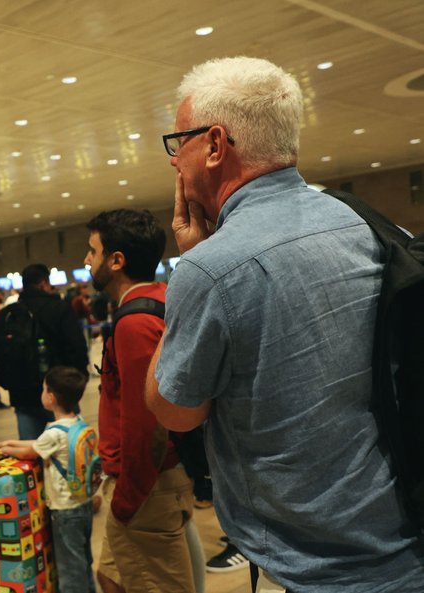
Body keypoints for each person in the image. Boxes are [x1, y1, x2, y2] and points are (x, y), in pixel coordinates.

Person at [144, 56, 424, 592]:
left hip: (312, 563)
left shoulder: (212, 267)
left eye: (178, 142)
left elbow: (174, 410)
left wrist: (187, 269)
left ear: (216, 144)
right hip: (400, 532)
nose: (175, 162)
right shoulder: (363, 220)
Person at [84, 209, 195, 593]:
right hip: (151, 480)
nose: (86, 260)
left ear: (117, 261)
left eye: (92, 251)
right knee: (110, 577)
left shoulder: (135, 324)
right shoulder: (160, 299)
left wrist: (127, 499)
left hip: (147, 486)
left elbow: (148, 424)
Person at [0, 366, 96, 593]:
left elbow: (31, 452)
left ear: (50, 397)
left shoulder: (54, 433)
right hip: (83, 504)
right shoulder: (77, 423)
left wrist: (9, 449)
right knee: (83, 561)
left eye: (43, 389)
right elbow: (36, 445)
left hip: (65, 511)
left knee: (70, 568)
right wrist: (9, 442)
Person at [0, 263, 88, 439]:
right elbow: (77, 348)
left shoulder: (6, 315)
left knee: (30, 452)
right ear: (43, 284)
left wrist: (5, 383)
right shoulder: (60, 309)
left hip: (22, 395)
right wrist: (79, 379)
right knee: (67, 451)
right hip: (60, 392)